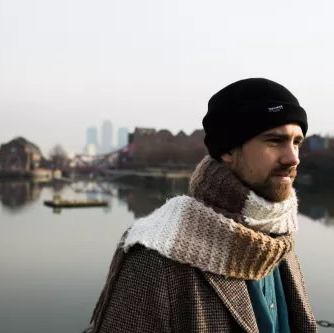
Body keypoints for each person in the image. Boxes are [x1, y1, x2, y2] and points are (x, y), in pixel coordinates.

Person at [84, 78, 317, 333]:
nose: (293, 157)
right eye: (274, 141)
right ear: (227, 150)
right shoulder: (156, 255)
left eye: (297, 142)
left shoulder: (279, 237)